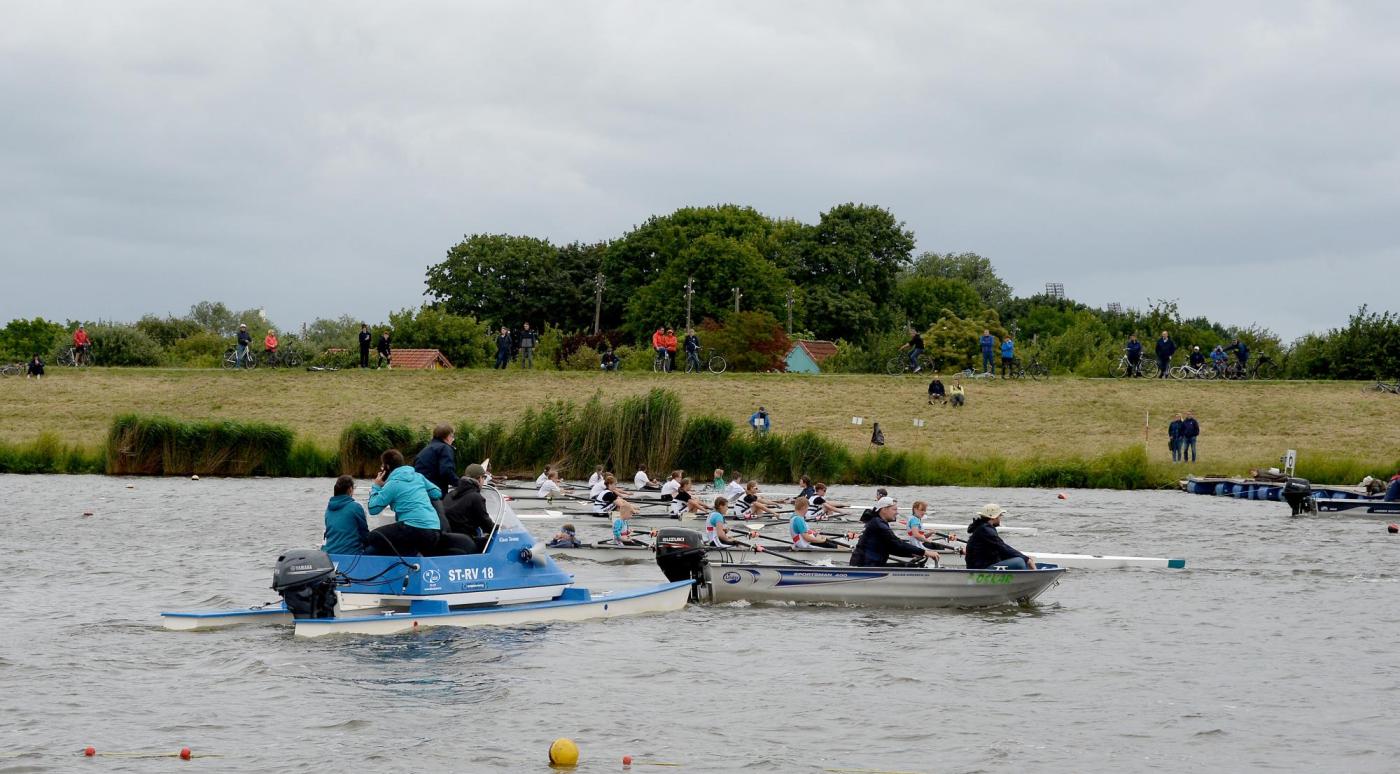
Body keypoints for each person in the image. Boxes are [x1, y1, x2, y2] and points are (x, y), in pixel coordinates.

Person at [367, 449, 446, 556]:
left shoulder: (392, 484)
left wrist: (376, 486)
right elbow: (437, 493)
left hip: (414, 529)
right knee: (401, 536)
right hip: (434, 529)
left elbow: (373, 509)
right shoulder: (418, 477)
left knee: (373, 536)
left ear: (387, 467)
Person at [850, 497, 941, 567]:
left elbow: (892, 548)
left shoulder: (878, 522)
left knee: (912, 566)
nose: (897, 513)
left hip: (870, 564)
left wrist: (914, 553)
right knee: (912, 567)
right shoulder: (878, 525)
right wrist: (924, 552)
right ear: (884, 509)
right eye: (894, 509)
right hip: (866, 566)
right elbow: (897, 543)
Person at [964, 503, 1036, 570]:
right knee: (1020, 561)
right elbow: (1002, 547)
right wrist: (1026, 559)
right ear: (993, 517)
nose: (1000, 518)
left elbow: (1000, 549)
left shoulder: (982, 527)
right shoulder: (985, 530)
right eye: (1000, 515)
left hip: (983, 564)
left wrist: (1024, 557)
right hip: (981, 568)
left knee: (1021, 559)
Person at [442, 463, 493, 551]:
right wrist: (499, 528)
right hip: (466, 541)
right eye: (484, 478)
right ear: (479, 478)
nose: (484, 481)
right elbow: (486, 524)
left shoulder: (449, 495)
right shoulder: (476, 497)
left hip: (448, 541)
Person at [322, 475, 370, 555]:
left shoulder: (328, 509)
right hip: (352, 555)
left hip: (330, 555)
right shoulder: (356, 507)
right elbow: (365, 535)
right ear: (350, 489)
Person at [413, 423, 459, 495]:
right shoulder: (445, 448)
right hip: (435, 491)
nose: (453, 440)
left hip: (419, 490)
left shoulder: (425, 450)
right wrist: (460, 484)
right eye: (452, 436)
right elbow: (446, 471)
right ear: (448, 437)